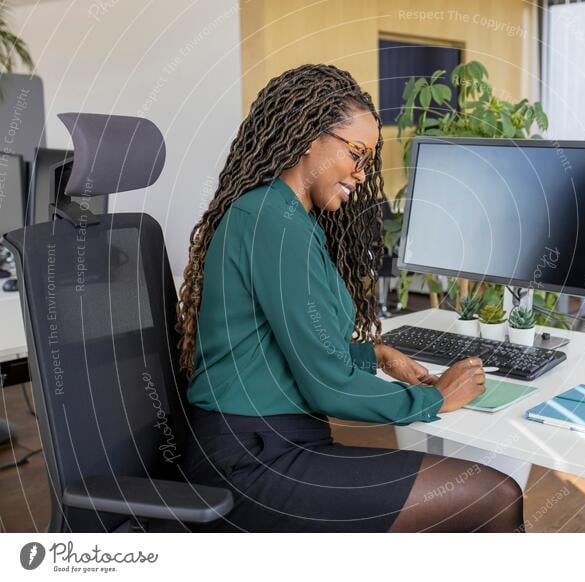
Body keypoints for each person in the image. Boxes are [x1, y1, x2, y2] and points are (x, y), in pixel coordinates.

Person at [176, 64, 524, 532]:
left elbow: (278, 350)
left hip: (274, 442)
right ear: (306, 137)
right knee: (496, 496)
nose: (362, 173)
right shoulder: (273, 224)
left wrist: (373, 354)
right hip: (251, 462)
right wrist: (434, 400)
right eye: (356, 153)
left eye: (369, 160)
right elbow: (326, 386)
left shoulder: (284, 218)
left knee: (472, 494)